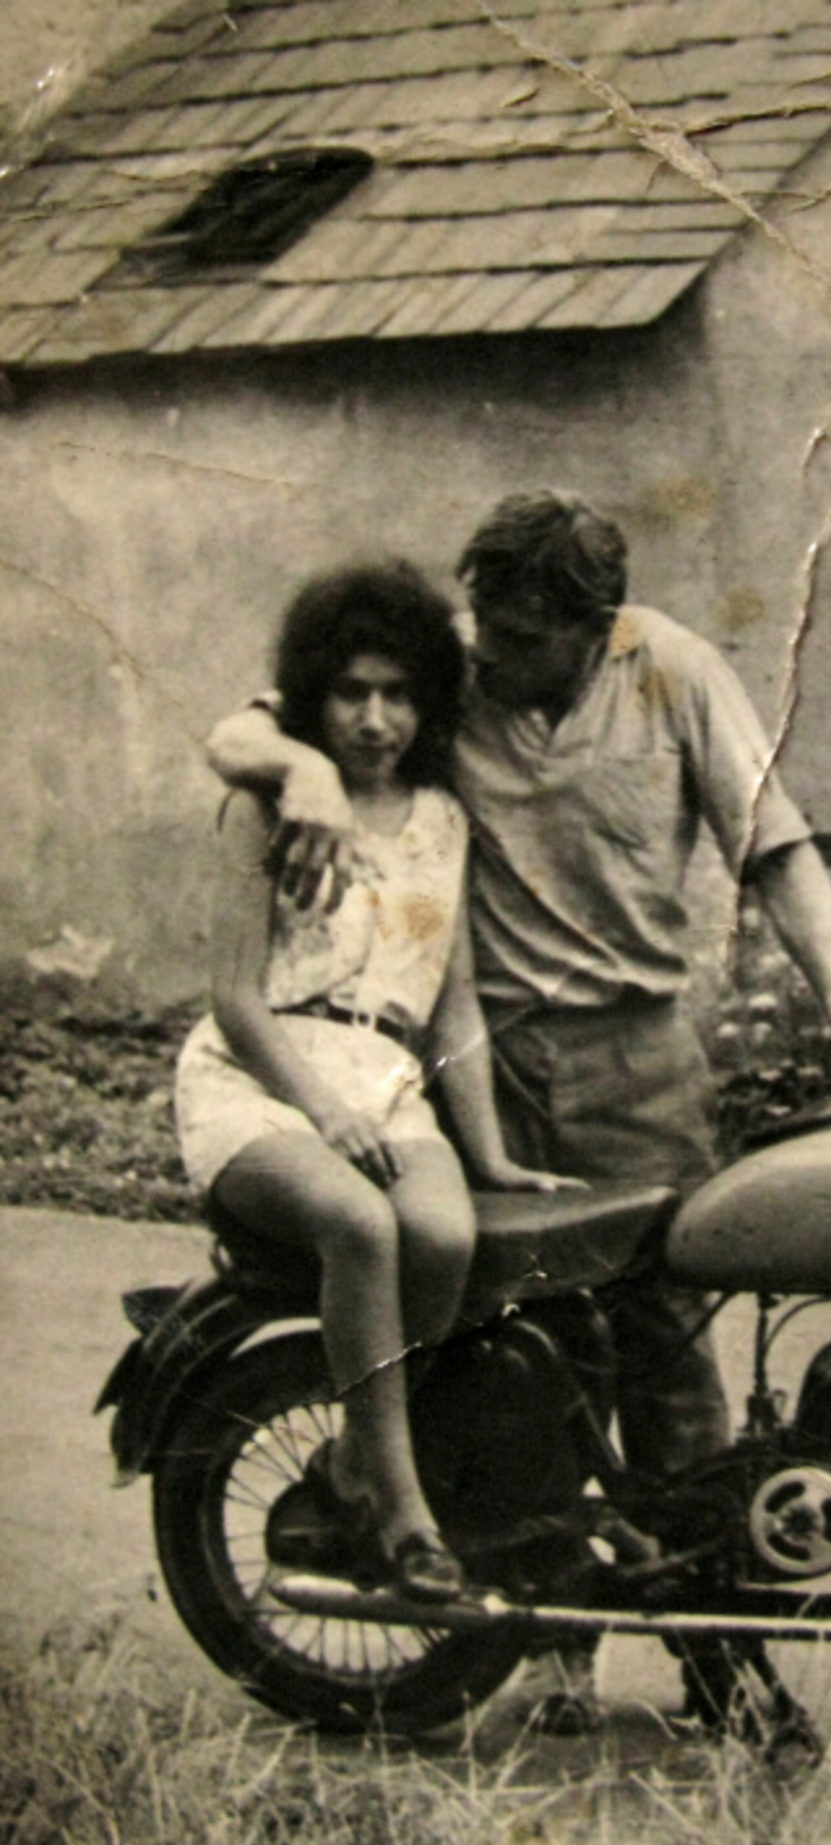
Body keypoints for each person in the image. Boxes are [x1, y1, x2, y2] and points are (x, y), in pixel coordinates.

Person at [206, 493, 831, 1722]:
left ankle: (718, 1661)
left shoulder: (675, 675)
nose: (490, 653)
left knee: (667, 1355)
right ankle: (553, 1657)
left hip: (636, 1063)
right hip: (471, 1066)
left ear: (598, 631)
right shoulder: (451, 669)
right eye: (483, 623)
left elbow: (773, 846)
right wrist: (305, 769)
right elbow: (243, 729)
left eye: (525, 636)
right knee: (525, 1368)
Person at [179, 559, 572, 1604]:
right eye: (351, 692)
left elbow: (455, 1003)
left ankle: (353, 1463)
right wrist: (319, 1109)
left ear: (427, 702)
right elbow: (235, 998)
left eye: (398, 694)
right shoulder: (264, 807)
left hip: (389, 1081)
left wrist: (491, 1157)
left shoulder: (443, 821)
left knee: (443, 1235)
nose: (374, 718)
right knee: (360, 1223)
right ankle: (405, 1518)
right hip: (260, 1080)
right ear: (314, 695)